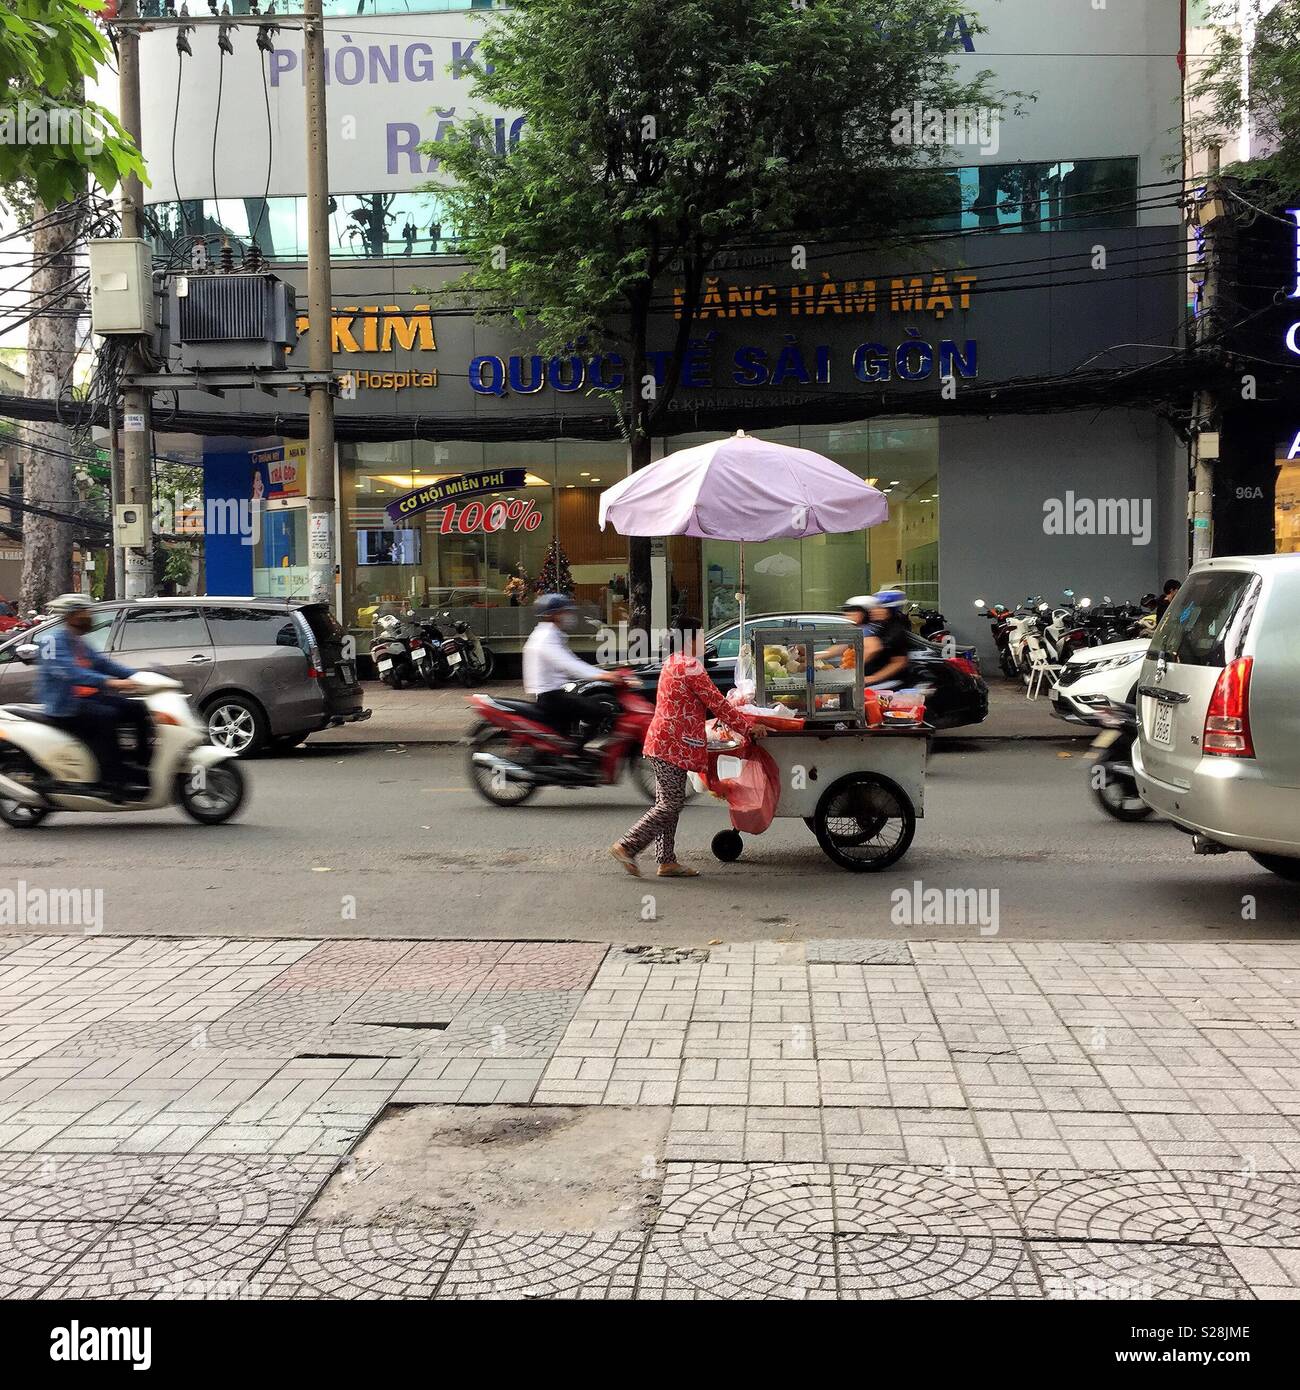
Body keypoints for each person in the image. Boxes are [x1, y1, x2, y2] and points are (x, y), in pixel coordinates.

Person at [611, 618, 767, 879]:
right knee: (670, 805)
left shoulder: (673, 661)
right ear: (689, 639)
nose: (704, 643)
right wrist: (748, 727)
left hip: (665, 742)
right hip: (671, 745)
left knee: (668, 803)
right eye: (700, 637)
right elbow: (717, 703)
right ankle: (627, 845)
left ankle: (667, 861)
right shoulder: (690, 666)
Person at [36, 595, 151, 798]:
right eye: (86, 612)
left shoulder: (78, 641)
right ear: (73, 615)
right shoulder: (51, 641)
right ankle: (110, 779)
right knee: (107, 718)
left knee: (138, 709)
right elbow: (69, 672)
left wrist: (136, 675)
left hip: (88, 699)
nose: (90, 616)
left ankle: (141, 763)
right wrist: (110, 682)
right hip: (66, 707)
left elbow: (103, 663)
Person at [522, 592, 620, 752]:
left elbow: (570, 663)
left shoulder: (548, 634)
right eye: (565, 611)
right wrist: (604, 675)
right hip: (551, 696)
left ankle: (570, 749)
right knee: (599, 711)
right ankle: (575, 751)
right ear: (554, 615)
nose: (570, 615)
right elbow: (570, 664)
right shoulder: (547, 637)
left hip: (553, 693)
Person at [819, 591, 913, 689]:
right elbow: (846, 645)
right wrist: (818, 655)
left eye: (878, 607)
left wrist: (873, 677)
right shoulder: (877, 625)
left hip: (887, 682)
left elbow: (898, 662)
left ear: (888, 610)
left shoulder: (895, 631)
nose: (873, 610)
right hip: (867, 677)